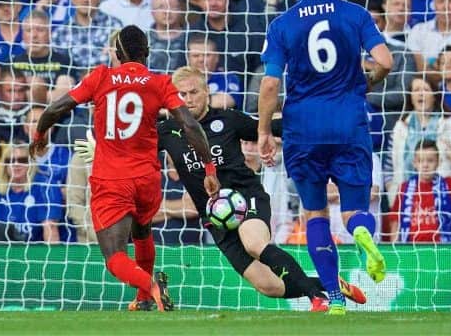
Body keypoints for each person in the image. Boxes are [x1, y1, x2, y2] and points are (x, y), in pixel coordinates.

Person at [75, 66, 367, 311]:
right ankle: (329, 284)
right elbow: (133, 153)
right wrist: (103, 153)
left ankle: (317, 298)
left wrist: (313, 118)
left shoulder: (226, 120)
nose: (187, 99)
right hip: (214, 217)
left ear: (207, 93)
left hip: (246, 197)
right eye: (181, 94)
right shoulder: (163, 132)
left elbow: (269, 128)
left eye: (194, 93)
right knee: (270, 286)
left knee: (254, 243)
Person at [29, 25, 220, 312]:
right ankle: (143, 300)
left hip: (111, 178)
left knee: (114, 256)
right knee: (143, 233)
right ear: (147, 52)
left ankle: (151, 286)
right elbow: (190, 125)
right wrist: (209, 168)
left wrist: (39, 136)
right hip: (146, 177)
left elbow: (55, 109)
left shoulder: (100, 77)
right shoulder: (159, 82)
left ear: (118, 53)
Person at [257, 0, 393, 314]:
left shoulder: (282, 23)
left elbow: (270, 85)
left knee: (314, 213)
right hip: (348, 122)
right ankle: (361, 231)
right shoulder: (356, 14)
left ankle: (334, 297)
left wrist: (264, 131)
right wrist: (367, 80)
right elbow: (385, 61)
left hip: (303, 129)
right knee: (354, 211)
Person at [389, 140, 451, 243]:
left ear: (438, 162)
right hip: (412, 249)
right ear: (414, 163)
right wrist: (395, 248)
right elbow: (395, 221)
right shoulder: (404, 188)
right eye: (420, 161)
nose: (425, 165)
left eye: (430, 160)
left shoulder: (447, 185)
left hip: (440, 249)